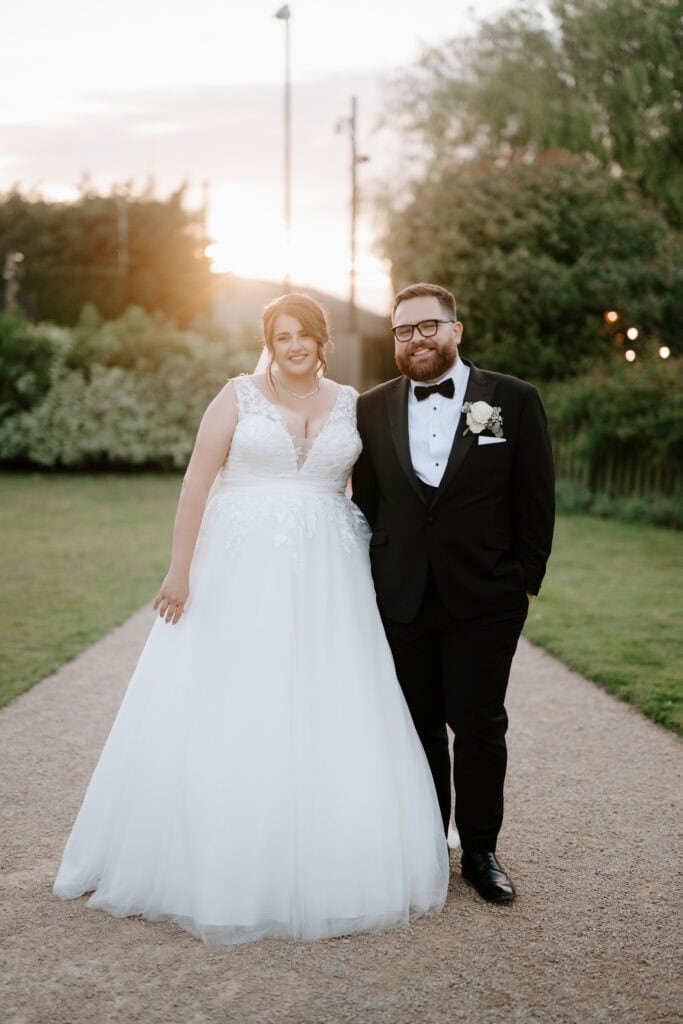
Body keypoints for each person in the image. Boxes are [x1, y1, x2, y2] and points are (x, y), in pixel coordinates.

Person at [53, 293, 448, 944]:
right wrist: (179, 569)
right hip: (240, 567)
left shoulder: (352, 402)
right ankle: (217, 855)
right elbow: (196, 483)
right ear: (270, 341)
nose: (293, 346)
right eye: (280, 336)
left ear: (321, 339)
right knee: (234, 695)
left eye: (303, 335)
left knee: (331, 700)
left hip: (330, 573)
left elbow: (381, 490)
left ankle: (329, 851)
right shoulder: (236, 395)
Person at [352, 282, 555, 903]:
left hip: (485, 598)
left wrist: (524, 583)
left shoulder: (513, 401)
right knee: (416, 727)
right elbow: (367, 502)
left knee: (479, 724)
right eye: (403, 331)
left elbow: (536, 498)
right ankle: (427, 844)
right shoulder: (369, 408)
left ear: (456, 330)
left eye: (427, 327)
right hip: (403, 595)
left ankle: (482, 850)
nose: (416, 340)